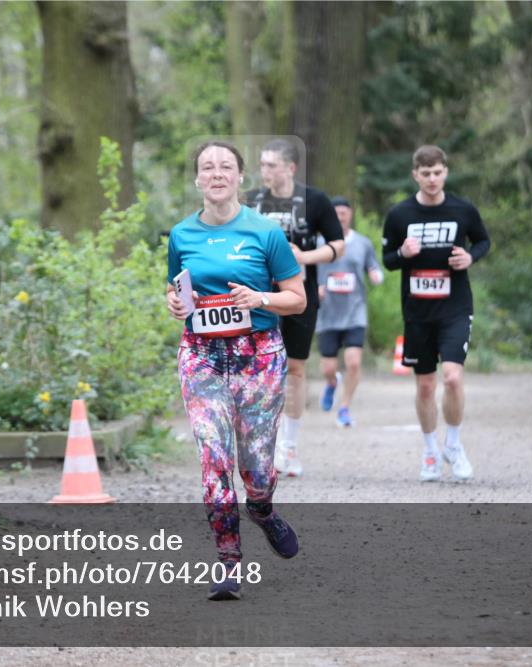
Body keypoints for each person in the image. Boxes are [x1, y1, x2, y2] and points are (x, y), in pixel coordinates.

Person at [167, 140, 306, 600]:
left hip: (259, 354)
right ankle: (228, 562)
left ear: (240, 177)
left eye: (226, 166)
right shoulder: (181, 234)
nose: (216, 173)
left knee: (256, 467)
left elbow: (297, 298)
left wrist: (260, 298)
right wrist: (174, 303)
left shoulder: (265, 233)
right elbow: (179, 292)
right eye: (207, 167)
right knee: (214, 457)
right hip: (202, 353)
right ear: (197, 180)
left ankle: (263, 510)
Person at [382, 145, 490, 482]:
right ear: (415, 174)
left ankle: (454, 446)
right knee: (426, 386)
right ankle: (430, 451)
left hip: (455, 307)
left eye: (437, 172)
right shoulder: (400, 215)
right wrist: (403, 252)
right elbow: (387, 260)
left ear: (446, 172)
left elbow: (483, 242)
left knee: (453, 377)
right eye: (425, 173)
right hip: (417, 312)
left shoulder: (463, 209)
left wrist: (470, 257)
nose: (432, 179)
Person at [246, 138, 344, 476]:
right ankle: (261, 444)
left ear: (290, 167)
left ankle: (289, 446)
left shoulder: (315, 200)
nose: (265, 172)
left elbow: (337, 246)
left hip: (301, 294)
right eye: (262, 165)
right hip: (258, 295)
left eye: (271, 165)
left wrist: (304, 256)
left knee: (295, 369)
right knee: (258, 367)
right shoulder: (252, 202)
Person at [316, 196, 383, 427]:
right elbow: (304, 271)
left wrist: (376, 276)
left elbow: (374, 267)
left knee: (354, 363)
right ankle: (332, 382)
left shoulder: (362, 243)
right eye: (336, 213)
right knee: (328, 368)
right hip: (327, 314)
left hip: (355, 311)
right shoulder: (318, 243)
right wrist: (315, 289)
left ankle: (344, 408)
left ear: (350, 214)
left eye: (344, 212)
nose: (340, 217)